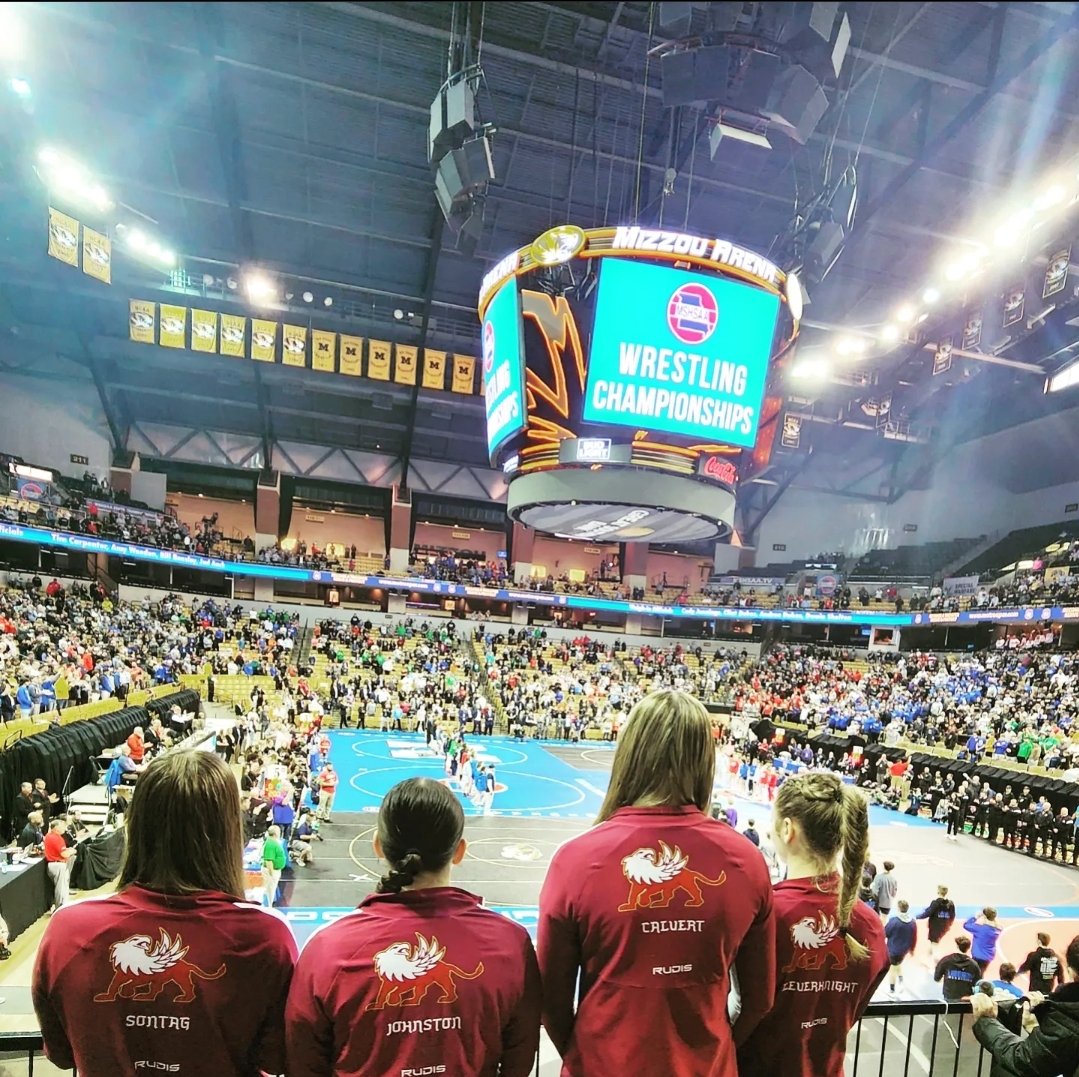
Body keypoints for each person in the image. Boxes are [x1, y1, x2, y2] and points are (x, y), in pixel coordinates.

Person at [538, 690, 775, 1077]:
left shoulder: (577, 860)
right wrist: (718, 1048)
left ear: (629, 755)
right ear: (703, 761)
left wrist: (588, 1054)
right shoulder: (746, 861)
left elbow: (550, 999)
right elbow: (759, 999)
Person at [32, 750, 298, 1076]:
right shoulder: (265, 936)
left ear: (137, 826)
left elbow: (61, 1053)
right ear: (229, 833)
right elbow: (275, 1057)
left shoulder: (68, 929)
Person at [285, 777, 540, 1076]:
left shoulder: (328, 949)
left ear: (379, 847)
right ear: (459, 851)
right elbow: (520, 1058)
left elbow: (302, 1061)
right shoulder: (511, 943)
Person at [738, 770, 887, 1077]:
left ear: (788, 829)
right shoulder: (870, 924)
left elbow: (738, 1011)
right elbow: (851, 1010)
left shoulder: (766, 915)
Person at [970, 934, 1079, 1077]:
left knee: (1003, 1073)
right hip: (1046, 993)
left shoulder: (1068, 1019)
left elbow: (1023, 1060)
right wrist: (1041, 1023)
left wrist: (986, 1021)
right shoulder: (1054, 959)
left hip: (1037, 991)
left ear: (1071, 971)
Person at [885, 900, 918, 994]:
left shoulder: (894, 921)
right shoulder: (912, 922)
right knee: (897, 964)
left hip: (893, 950)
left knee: (892, 969)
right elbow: (914, 937)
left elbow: (886, 932)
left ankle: (892, 989)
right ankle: (901, 979)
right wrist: (912, 949)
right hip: (904, 950)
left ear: (898, 908)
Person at [916, 884, 956, 961]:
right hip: (944, 926)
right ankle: (928, 955)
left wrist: (917, 917)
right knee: (934, 942)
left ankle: (936, 962)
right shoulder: (951, 904)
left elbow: (928, 913)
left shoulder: (935, 903)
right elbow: (952, 915)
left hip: (935, 927)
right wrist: (949, 925)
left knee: (935, 944)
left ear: (938, 892)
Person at [934, 935, 981, 1000]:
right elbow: (977, 984)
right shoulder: (974, 965)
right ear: (968, 948)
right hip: (966, 1001)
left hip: (949, 999)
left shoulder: (946, 960)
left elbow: (936, 978)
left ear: (957, 946)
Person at [43, 819, 75, 909]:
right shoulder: (57, 838)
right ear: (56, 828)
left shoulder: (49, 836)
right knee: (61, 888)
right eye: (62, 826)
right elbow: (64, 854)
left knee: (62, 886)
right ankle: (59, 908)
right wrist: (72, 851)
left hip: (54, 864)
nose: (65, 828)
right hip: (58, 865)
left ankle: (62, 906)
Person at [965, 908, 1003, 976]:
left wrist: (975, 917)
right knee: (980, 973)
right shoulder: (998, 929)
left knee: (972, 973)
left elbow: (966, 925)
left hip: (977, 954)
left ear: (984, 917)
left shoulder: (980, 928)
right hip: (988, 956)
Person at [262, 824, 287, 908]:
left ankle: (269, 905)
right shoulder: (271, 844)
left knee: (271, 889)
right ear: (276, 833)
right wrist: (271, 874)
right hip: (271, 871)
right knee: (270, 890)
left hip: (274, 870)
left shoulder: (272, 842)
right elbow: (269, 860)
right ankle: (268, 907)